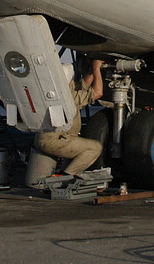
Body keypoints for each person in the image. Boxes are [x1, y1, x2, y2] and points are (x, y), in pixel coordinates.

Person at [26, 57, 104, 187]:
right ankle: (65, 178)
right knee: (95, 148)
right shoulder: (67, 98)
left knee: (75, 151)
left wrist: (91, 69)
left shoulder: (55, 90)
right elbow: (98, 93)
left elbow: (83, 86)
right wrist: (97, 69)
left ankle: (63, 176)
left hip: (48, 138)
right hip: (53, 141)